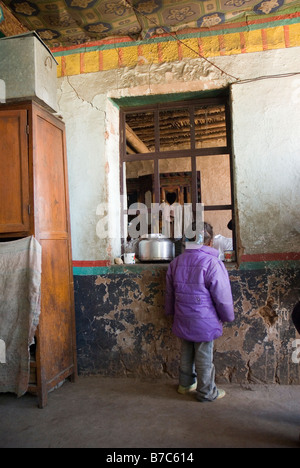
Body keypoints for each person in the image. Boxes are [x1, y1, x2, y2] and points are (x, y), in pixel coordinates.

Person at [165, 222, 235, 402]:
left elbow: (169, 293)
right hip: (204, 320)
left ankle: (185, 384)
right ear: (209, 242)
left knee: (187, 350)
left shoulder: (175, 263)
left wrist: (171, 312)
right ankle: (206, 392)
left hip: (182, 317)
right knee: (204, 355)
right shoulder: (212, 262)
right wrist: (228, 316)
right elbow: (222, 295)